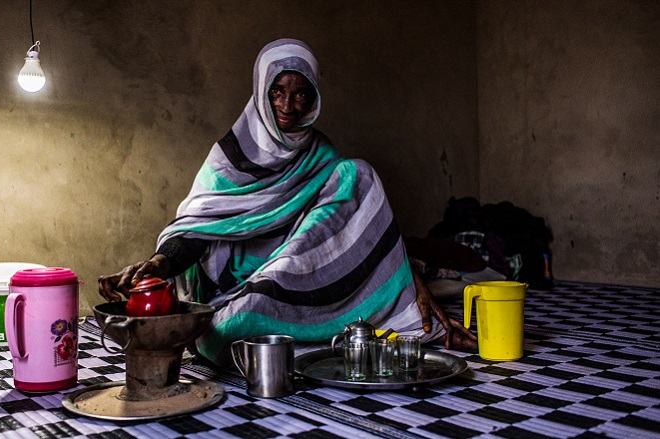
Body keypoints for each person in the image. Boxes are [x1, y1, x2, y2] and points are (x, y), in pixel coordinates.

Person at [99, 38, 476, 366]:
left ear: (314, 98)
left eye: (301, 94)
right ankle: (260, 329)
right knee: (237, 320)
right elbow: (198, 229)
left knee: (358, 173)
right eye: (277, 91)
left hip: (297, 276)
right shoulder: (228, 159)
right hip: (234, 287)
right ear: (261, 91)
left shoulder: (322, 156)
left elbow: (350, 230)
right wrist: (156, 265)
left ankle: (333, 330)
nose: (288, 105)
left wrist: (412, 288)